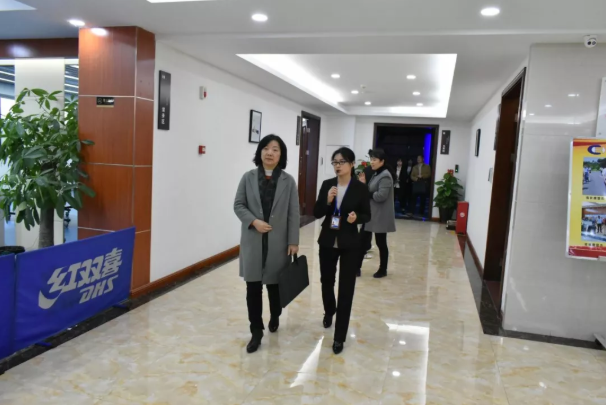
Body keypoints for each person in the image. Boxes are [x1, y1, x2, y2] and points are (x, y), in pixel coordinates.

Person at [234, 135, 300, 354]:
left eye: (275, 149)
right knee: (253, 288)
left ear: (281, 155)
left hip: (278, 242)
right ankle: (256, 331)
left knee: (274, 286)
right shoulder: (248, 177)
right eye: (266, 148)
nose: (270, 153)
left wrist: (293, 241)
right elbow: (239, 205)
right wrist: (254, 222)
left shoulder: (288, 181)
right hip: (253, 241)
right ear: (260, 152)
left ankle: (275, 314)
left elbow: (293, 213)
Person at [314, 147, 371, 354]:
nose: (338, 166)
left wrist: (357, 218)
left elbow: (367, 215)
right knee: (327, 281)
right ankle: (329, 310)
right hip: (328, 240)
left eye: (342, 162)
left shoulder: (360, 188)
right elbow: (316, 212)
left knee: (347, 288)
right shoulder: (327, 185)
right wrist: (327, 201)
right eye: (335, 162)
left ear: (352, 164)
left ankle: (339, 337)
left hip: (350, 243)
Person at [359, 149, 396, 278]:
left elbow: (381, 196)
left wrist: (366, 192)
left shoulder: (385, 176)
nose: (372, 162)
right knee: (361, 241)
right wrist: (364, 184)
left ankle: (382, 269)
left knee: (381, 243)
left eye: (375, 159)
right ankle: (356, 268)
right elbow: (370, 190)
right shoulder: (376, 174)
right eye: (371, 159)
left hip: (380, 215)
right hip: (370, 214)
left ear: (382, 161)